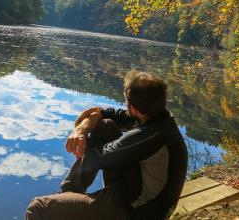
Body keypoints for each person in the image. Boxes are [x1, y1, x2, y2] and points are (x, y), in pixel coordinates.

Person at [26, 70, 188, 220]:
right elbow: (109, 114)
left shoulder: (150, 135)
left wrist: (82, 137)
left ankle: (67, 198)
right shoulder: (156, 115)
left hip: (139, 210)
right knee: (106, 126)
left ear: (132, 108)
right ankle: (68, 193)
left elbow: (100, 157)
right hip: (147, 196)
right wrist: (82, 129)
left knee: (38, 207)